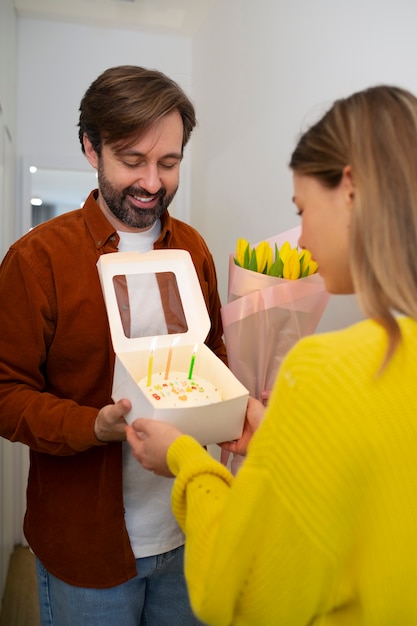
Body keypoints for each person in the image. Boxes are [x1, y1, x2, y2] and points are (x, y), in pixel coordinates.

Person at [126, 85, 417, 625]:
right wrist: (279, 446)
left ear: (349, 189)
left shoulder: (326, 371)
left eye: (303, 210)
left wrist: (186, 458)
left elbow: (236, 595)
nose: (301, 239)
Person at [0, 65, 227, 625]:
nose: (153, 182)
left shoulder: (193, 249)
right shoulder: (38, 260)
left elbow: (213, 356)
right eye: (132, 161)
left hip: (188, 529)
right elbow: (5, 393)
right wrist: (92, 426)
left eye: (169, 163)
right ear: (90, 148)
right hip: (87, 548)